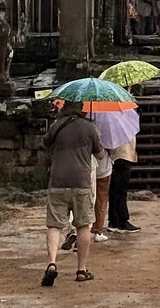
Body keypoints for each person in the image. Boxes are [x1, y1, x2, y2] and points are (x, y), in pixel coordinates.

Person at [42, 101, 104, 285]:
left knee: (54, 225)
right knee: (83, 225)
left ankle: (52, 263)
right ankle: (81, 270)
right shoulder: (89, 127)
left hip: (58, 181)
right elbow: (100, 154)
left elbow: (46, 145)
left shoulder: (57, 125)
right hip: (81, 182)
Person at [107, 137, 140, 233]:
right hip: (123, 156)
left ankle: (113, 221)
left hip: (118, 155)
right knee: (121, 190)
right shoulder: (124, 130)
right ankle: (122, 220)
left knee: (115, 189)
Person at [92, 146, 113, 244]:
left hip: (88, 169)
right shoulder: (107, 139)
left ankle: (86, 228)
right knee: (101, 200)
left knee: (88, 200)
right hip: (104, 169)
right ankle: (98, 230)